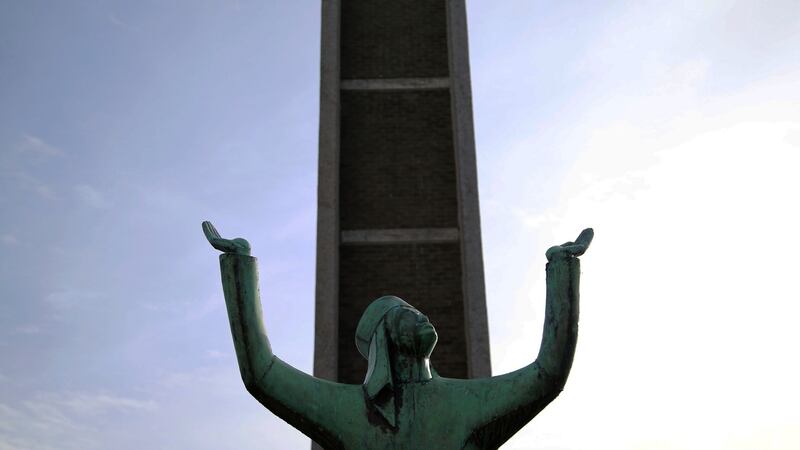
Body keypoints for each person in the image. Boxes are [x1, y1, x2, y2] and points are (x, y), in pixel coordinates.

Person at [203, 221, 592, 449]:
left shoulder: (468, 403)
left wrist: (561, 269)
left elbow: (548, 374)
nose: (424, 317)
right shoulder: (351, 414)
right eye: (409, 314)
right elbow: (262, 373)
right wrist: (239, 267)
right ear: (386, 335)